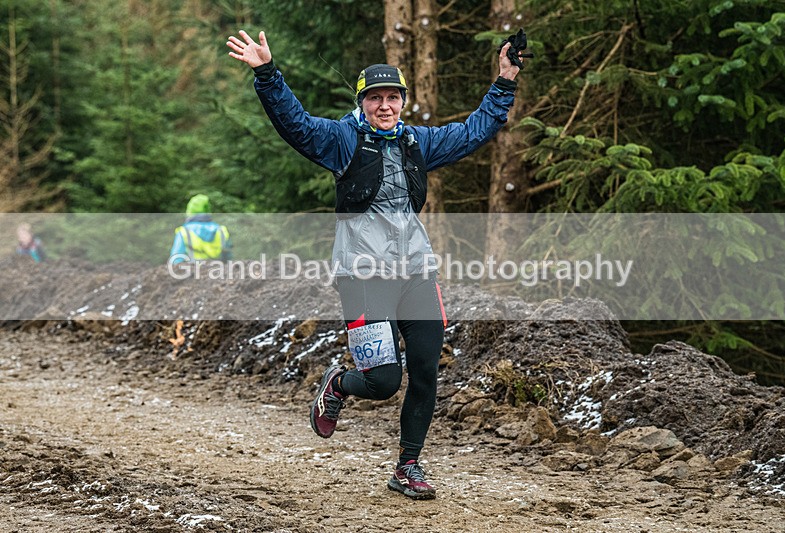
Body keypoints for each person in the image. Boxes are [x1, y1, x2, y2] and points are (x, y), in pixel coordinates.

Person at [227, 29, 522, 500]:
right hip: (363, 277)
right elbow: (295, 124)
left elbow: (472, 132)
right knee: (384, 381)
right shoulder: (342, 141)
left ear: (403, 101)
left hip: (415, 273)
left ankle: (408, 466)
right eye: (375, 98)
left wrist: (504, 81)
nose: (385, 106)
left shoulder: (417, 142)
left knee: (426, 369)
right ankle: (340, 383)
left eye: (393, 97)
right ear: (363, 102)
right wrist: (267, 74)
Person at [169, 194, 232, 264]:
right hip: (217, 272)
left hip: (192, 273)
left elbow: (175, 260)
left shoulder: (184, 232)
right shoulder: (221, 230)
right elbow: (228, 258)